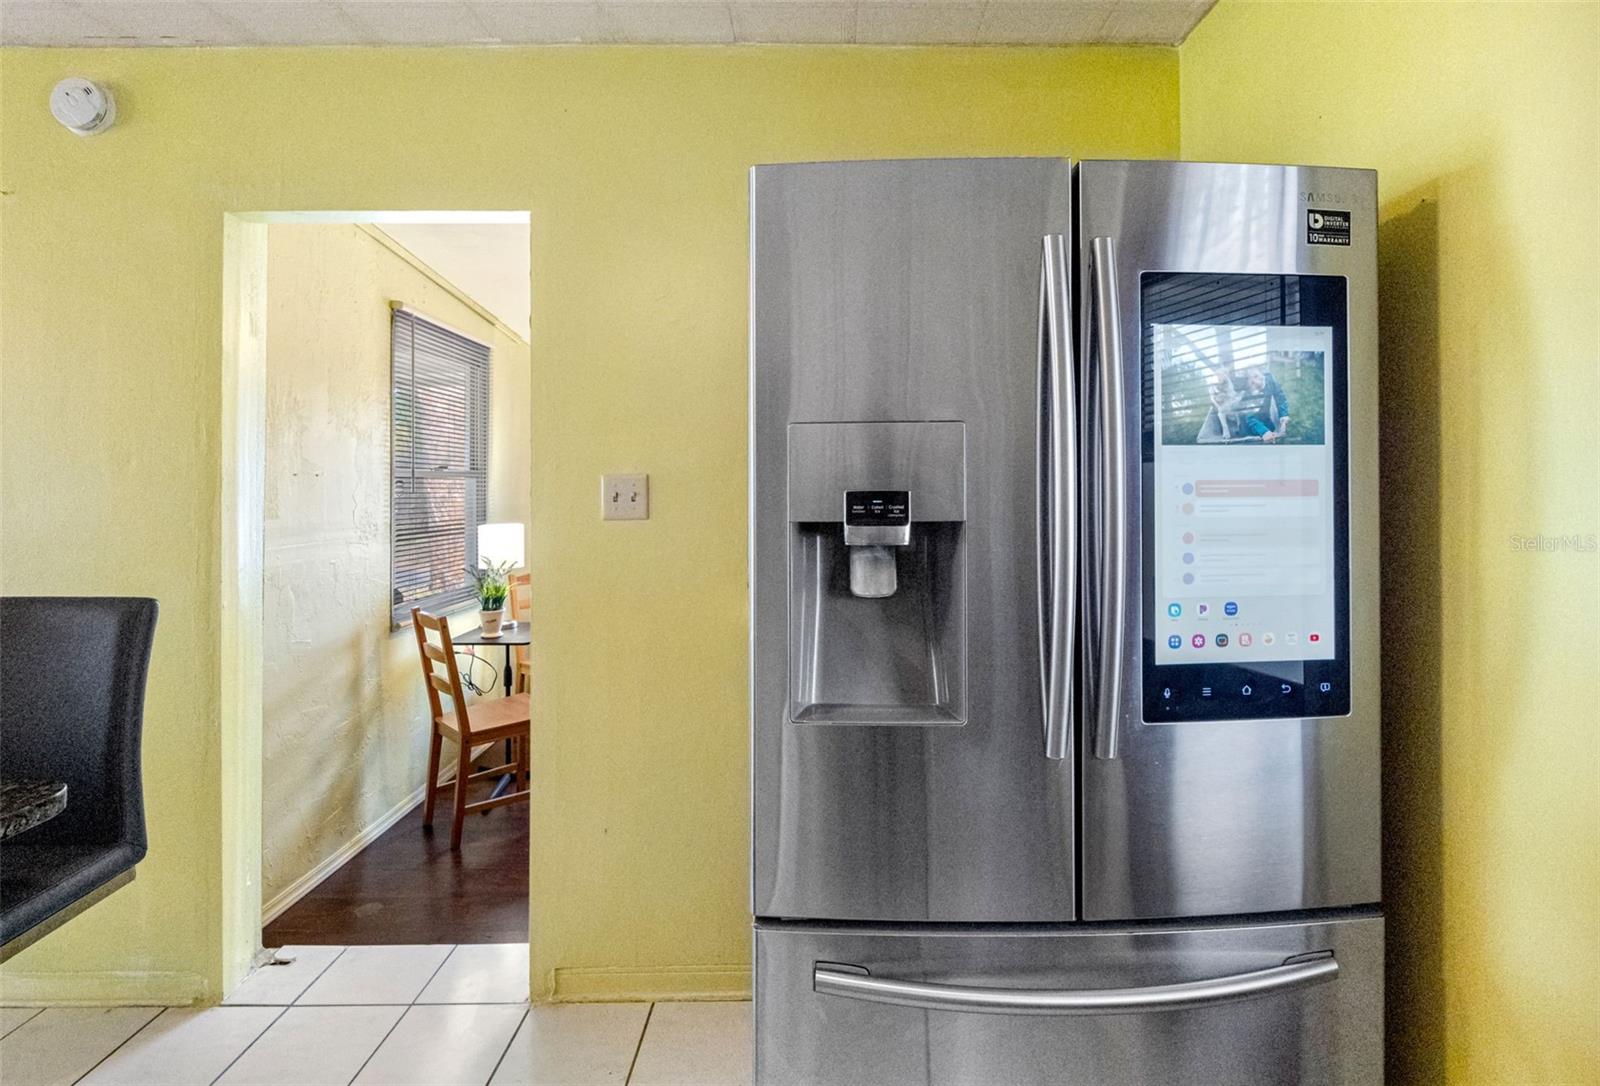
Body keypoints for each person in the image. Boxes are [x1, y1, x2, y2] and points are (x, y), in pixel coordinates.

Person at [1238, 366, 1290, 443]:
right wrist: (1264, 432)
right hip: (1248, 425)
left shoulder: (1270, 381)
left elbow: (1280, 398)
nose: (1253, 381)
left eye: (1256, 376)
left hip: (1265, 417)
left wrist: (1284, 416)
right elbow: (1250, 417)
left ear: (1262, 375)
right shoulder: (1248, 394)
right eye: (1249, 379)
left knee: (1272, 429)